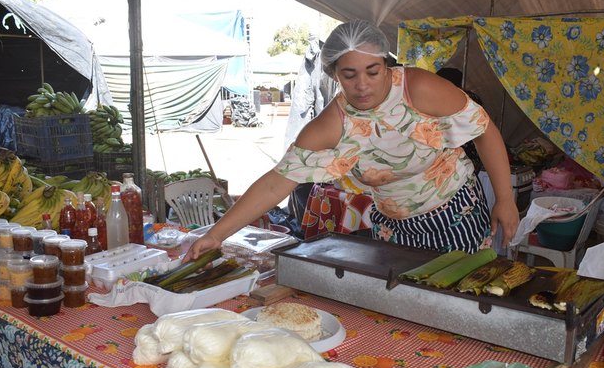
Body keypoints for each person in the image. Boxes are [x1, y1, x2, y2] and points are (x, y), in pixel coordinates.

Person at [186, 20, 518, 260]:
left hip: (455, 212)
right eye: (349, 74)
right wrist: (215, 235)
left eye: (372, 71)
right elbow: (277, 183)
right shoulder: (332, 125)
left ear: (386, 65)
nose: (362, 85)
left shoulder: (418, 89)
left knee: (458, 304)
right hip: (392, 224)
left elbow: (484, 130)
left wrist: (504, 199)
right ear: (333, 73)